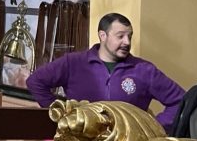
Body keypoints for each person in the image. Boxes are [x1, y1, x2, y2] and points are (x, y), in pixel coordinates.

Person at [26, 12, 185, 129]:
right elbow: (35, 82)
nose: (127, 42)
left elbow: (181, 101)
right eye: (120, 36)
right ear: (103, 36)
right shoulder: (73, 62)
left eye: (129, 36)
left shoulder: (144, 70)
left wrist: (153, 127)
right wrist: (61, 115)